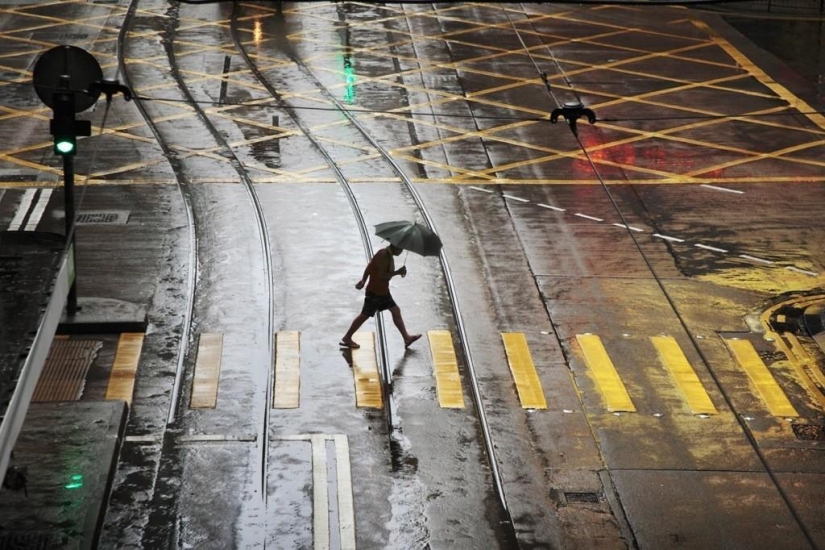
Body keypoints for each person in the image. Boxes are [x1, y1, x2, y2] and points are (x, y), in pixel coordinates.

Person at [340, 244, 422, 350]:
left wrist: (363, 280)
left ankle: (406, 338)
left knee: (395, 311)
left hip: (383, 292)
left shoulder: (387, 255)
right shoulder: (383, 255)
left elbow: (370, 266)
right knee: (364, 315)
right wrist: (398, 272)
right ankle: (347, 337)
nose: (401, 252)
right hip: (375, 292)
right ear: (395, 247)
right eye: (400, 249)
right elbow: (382, 275)